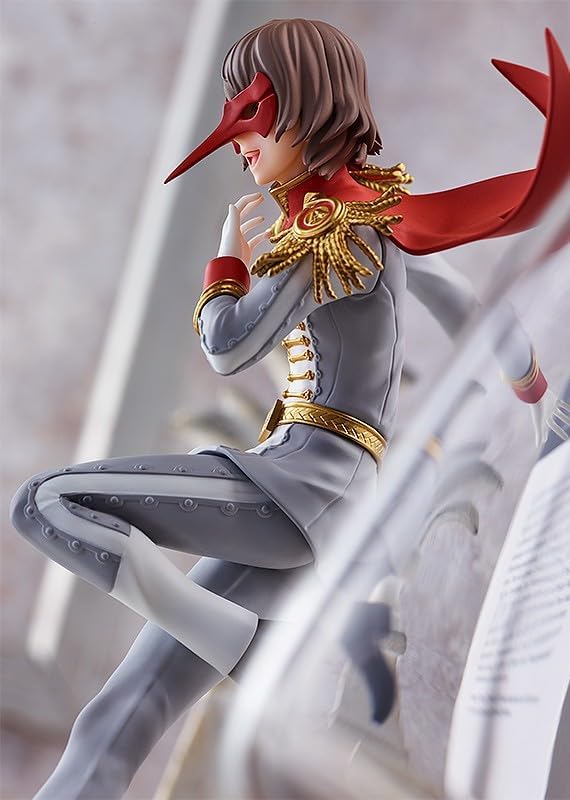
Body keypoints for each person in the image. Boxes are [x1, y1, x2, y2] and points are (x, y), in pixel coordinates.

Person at [10, 18, 570, 799]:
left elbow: (227, 345)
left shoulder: (331, 232)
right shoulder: (372, 218)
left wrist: (225, 263)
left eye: (251, 114)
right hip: (320, 498)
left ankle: (255, 654)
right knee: (124, 709)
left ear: (305, 107)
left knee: (46, 502)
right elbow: (470, 307)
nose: (237, 141)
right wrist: (539, 399)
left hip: (299, 488)